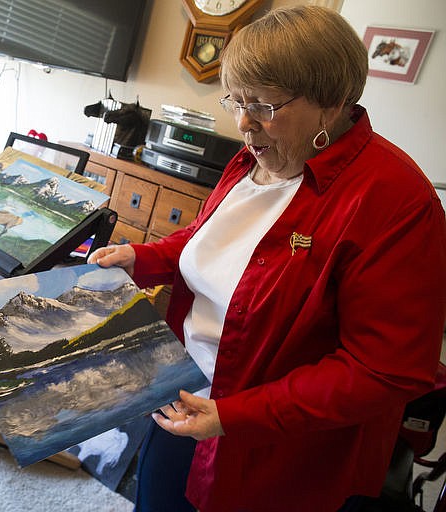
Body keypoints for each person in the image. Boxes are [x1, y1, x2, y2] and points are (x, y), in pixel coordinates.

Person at [88, 5, 446, 512]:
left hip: (275, 453)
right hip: (181, 396)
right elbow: (212, 242)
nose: (242, 122)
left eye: (264, 106)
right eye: (235, 99)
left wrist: (236, 415)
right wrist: (141, 257)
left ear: (334, 101)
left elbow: (386, 371)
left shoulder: (397, 202)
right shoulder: (255, 156)